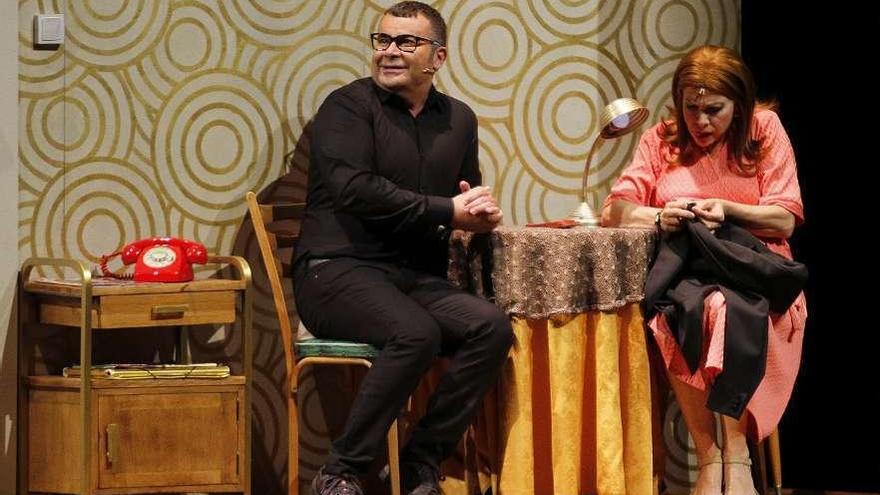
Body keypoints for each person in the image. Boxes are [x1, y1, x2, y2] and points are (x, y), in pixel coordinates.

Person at [291, 2, 513, 495]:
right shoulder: (346, 107)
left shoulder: (458, 119)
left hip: (412, 277)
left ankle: (420, 459)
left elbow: (461, 194)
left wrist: (477, 214)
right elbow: (355, 190)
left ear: (438, 57)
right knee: (416, 334)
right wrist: (447, 211)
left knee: (491, 329)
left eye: (405, 42)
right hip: (335, 271)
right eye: (382, 41)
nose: (389, 52)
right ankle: (341, 471)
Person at [601, 45, 807, 495]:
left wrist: (728, 210)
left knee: (724, 309)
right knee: (676, 311)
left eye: (714, 109)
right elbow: (616, 209)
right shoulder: (663, 138)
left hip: (757, 272)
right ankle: (708, 455)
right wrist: (660, 216)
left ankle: (735, 453)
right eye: (691, 108)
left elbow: (786, 217)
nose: (701, 122)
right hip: (687, 272)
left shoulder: (763, 129)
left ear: (741, 103)